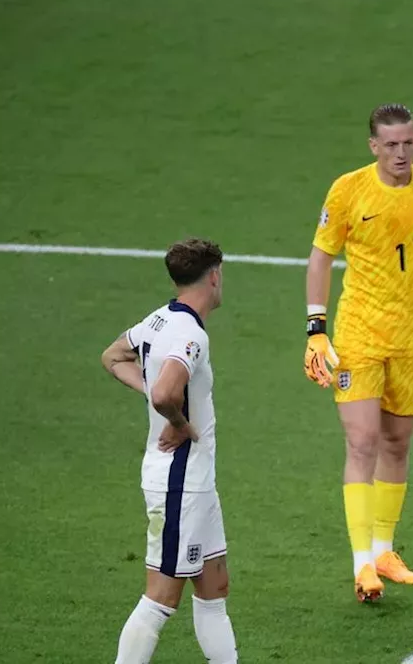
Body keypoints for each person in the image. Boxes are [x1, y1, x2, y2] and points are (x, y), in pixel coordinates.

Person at [302, 103, 413, 602]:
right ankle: (361, 566)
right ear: (373, 145)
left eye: (408, 143)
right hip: (359, 335)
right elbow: (321, 257)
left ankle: (384, 551)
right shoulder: (348, 189)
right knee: (363, 442)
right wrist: (316, 328)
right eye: (390, 144)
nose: (401, 152)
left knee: (397, 444)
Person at [100, 238, 238, 664]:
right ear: (214, 276)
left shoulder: (159, 320)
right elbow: (165, 393)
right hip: (180, 482)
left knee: (213, 587)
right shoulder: (189, 334)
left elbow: (113, 356)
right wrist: (178, 422)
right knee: (161, 598)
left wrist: (153, 395)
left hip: (195, 483)